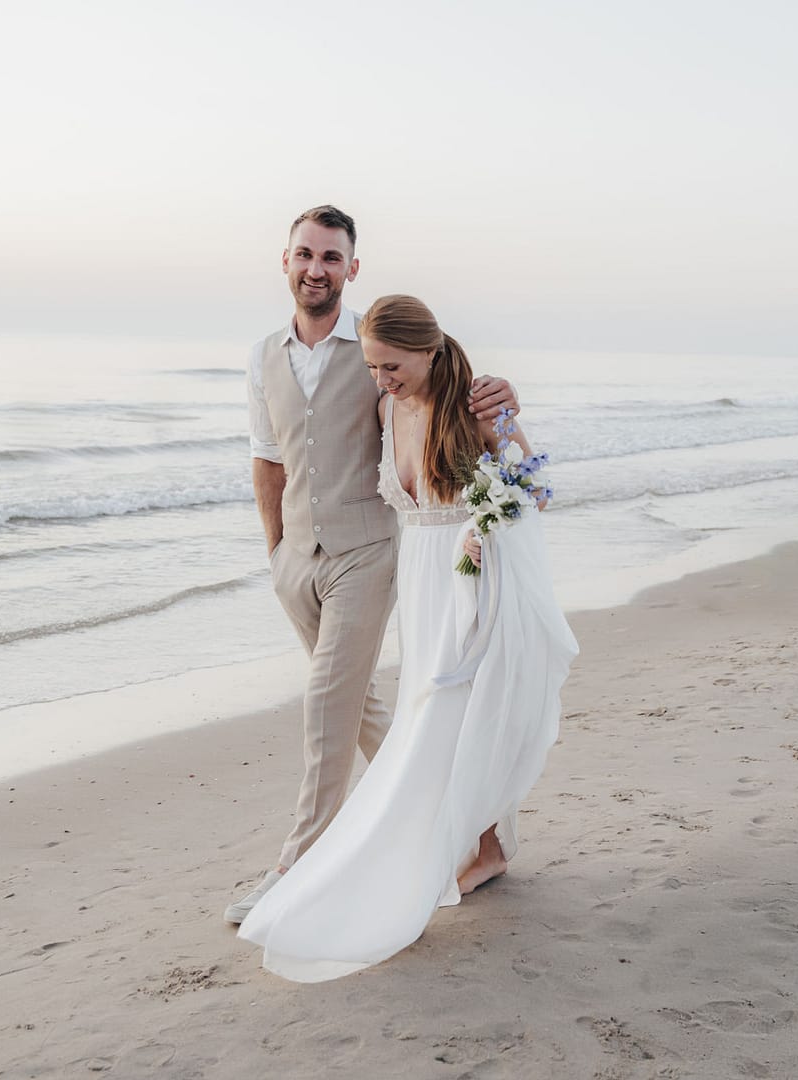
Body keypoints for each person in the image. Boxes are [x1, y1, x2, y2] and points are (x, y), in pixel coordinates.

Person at [237, 294, 578, 981]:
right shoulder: (386, 406)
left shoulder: (477, 409)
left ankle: (459, 847)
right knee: (444, 714)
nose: (380, 379)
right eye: (370, 367)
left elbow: (531, 493)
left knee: (453, 714)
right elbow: (308, 446)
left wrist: (489, 510)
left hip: (473, 579)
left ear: (428, 351)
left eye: (391, 366)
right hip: (419, 581)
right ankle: (484, 848)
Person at [226, 208, 517, 925]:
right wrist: (276, 553)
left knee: (327, 706)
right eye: (305, 254)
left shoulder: (376, 347)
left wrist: (502, 409)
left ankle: (298, 868)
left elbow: (441, 398)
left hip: (369, 552)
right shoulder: (264, 356)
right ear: (285, 261)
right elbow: (267, 458)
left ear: (351, 268)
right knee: (363, 710)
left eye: (331, 256)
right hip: (298, 559)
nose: (316, 267)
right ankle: (471, 829)